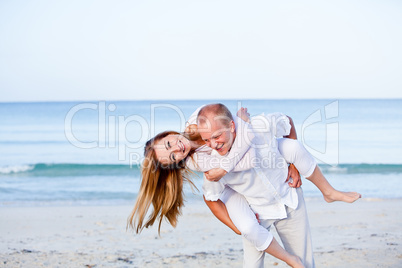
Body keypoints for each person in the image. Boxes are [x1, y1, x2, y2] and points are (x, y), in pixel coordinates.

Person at [128, 104, 361, 267]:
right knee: (252, 254)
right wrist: (237, 226)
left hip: (286, 193)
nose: (176, 149)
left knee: (305, 263)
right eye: (171, 157)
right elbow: (212, 197)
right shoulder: (201, 163)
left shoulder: (205, 122)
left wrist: (293, 165)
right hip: (256, 207)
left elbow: (284, 123)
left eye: (169, 143)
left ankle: (328, 192)